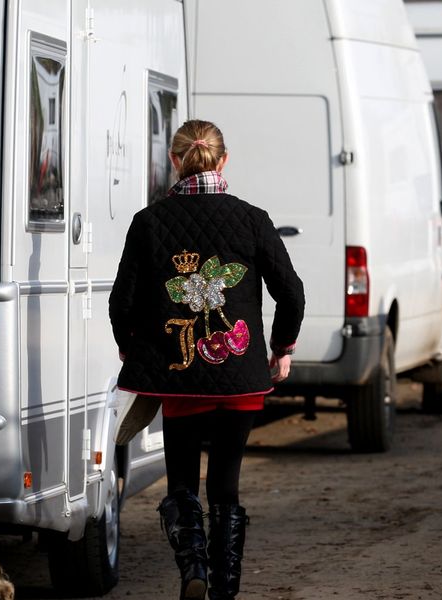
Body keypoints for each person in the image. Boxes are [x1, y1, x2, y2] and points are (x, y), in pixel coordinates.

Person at [109, 119, 305, 600]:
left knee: (182, 483)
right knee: (226, 485)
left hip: (180, 378)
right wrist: (281, 351)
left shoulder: (149, 222)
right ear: (224, 160)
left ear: (174, 161)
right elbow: (293, 295)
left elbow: (121, 303)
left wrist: (132, 349)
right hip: (240, 376)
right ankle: (225, 590)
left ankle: (193, 569)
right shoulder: (254, 219)